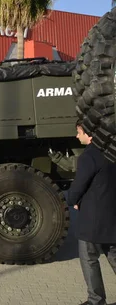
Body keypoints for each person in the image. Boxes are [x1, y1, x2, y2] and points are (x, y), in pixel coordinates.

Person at [68, 119, 116, 305]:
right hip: (111, 216)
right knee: (113, 255)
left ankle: (96, 300)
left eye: (79, 132)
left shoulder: (88, 157)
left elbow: (79, 185)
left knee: (89, 259)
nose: (77, 136)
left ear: (89, 134)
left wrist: (73, 200)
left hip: (92, 221)